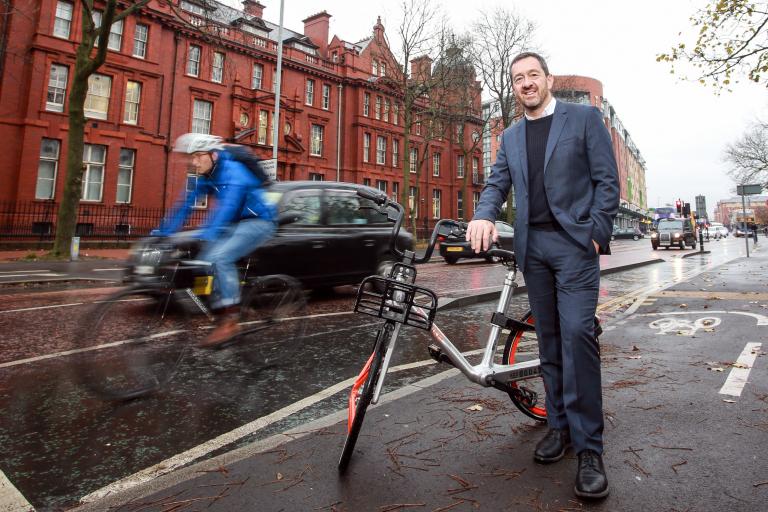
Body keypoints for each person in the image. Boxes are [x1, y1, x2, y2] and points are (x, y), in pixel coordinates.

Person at [467, 52, 619, 499]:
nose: (526, 83)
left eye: (533, 75)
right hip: (533, 250)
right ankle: (559, 427)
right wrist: (483, 215)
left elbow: (606, 181)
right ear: (514, 87)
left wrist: (596, 234)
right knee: (549, 341)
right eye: (518, 78)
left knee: (577, 337)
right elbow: (497, 183)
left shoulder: (584, 119)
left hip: (574, 246)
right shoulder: (511, 136)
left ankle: (590, 448)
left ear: (547, 79)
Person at [154, 133, 276, 347]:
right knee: (205, 258)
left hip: (259, 221)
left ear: (214, 155)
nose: (193, 162)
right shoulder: (205, 177)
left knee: (219, 257)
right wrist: (163, 232)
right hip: (236, 225)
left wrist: (208, 233)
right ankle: (232, 301)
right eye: (190, 157)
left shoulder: (234, 172)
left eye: (198, 156)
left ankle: (230, 319)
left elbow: (228, 207)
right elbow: (185, 205)